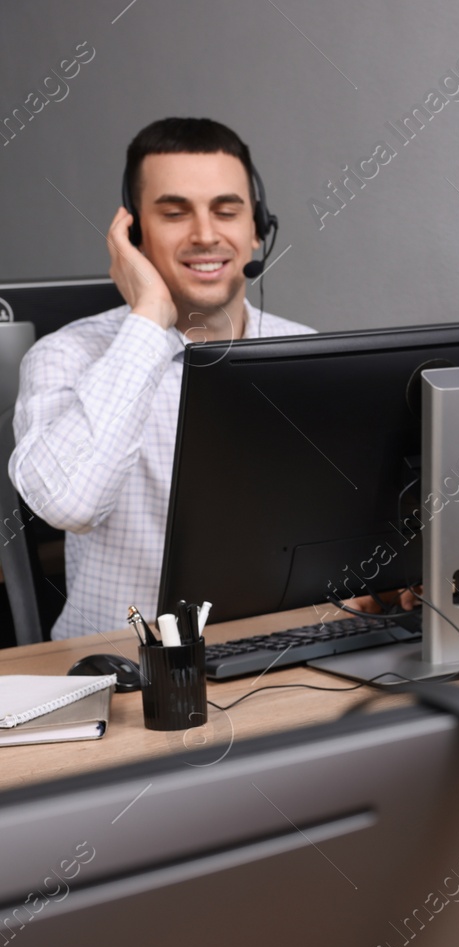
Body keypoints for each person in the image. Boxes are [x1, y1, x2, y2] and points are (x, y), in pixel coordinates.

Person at [9, 117, 313, 640]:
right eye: (174, 213)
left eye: (226, 211)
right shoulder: (64, 355)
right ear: (133, 236)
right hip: (125, 673)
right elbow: (69, 504)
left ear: (257, 229)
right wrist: (149, 317)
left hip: (282, 659)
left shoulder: (307, 353)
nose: (205, 234)